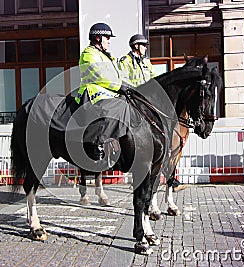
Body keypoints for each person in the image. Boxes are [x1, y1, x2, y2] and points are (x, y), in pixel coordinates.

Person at [119, 33, 185, 192]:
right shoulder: (125, 61)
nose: (146, 48)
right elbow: (122, 80)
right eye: (143, 45)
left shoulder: (147, 63)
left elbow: (155, 81)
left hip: (147, 101)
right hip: (133, 99)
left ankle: (167, 175)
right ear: (136, 46)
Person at [74, 22, 127, 161]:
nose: (109, 41)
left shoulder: (106, 56)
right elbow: (101, 75)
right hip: (92, 95)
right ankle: (98, 142)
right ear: (98, 38)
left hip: (108, 93)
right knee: (119, 107)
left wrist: (128, 86)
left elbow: (117, 75)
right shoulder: (88, 54)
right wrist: (120, 86)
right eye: (107, 37)